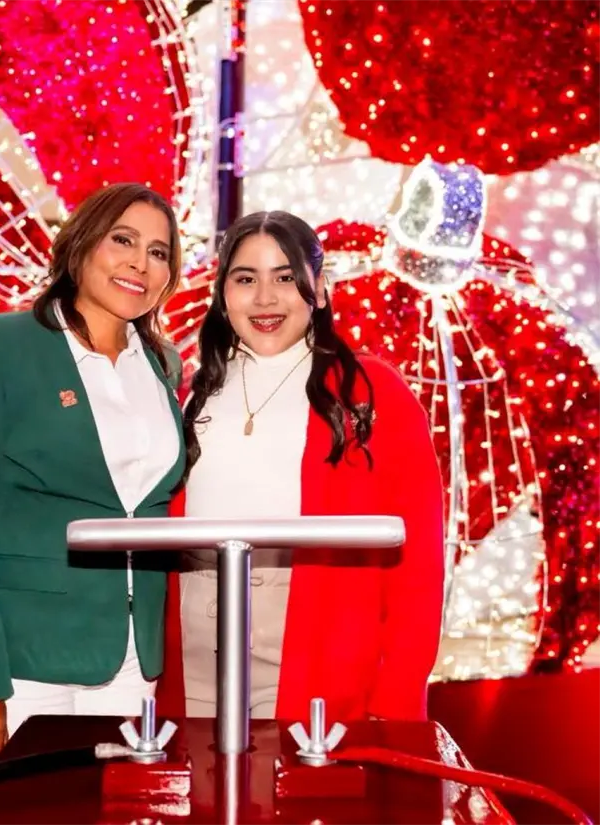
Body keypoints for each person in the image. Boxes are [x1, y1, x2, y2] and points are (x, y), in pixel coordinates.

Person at [0, 183, 186, 767]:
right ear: (81, 243)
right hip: (25, 660)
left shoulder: (162, 366)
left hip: (133, 661)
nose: (140, 263)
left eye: (159, 251)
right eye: (123, 240)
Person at [156, 210, 445, 723]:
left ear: (322, 289)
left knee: (300, 798)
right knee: (199, 794)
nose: (265, 299)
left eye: (286, 278)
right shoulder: (191, 393)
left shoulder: (372, 392)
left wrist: (398, 692)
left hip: (319, 649)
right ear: (222, 293)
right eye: (245, 279)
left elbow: (419, 563)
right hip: (193, 642)